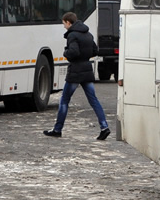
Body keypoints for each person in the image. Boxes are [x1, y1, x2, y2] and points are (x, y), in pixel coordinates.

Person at [44, 12, 110, 140]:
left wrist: (66, 52)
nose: (64, 26)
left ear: (69, 22)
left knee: (64, 100)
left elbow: (73, 51)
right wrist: (85, 57)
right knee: (94, 100)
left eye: (64, 23)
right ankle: (104, 127)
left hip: (75, 71)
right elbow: (95, 51)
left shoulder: (72, 35)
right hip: (87, 69)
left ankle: (57, 129)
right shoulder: (88, 34)